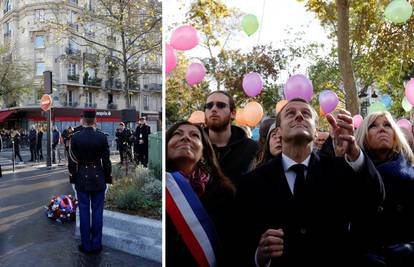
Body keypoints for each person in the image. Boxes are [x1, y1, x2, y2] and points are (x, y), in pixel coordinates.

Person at [235, 98, 384, 267]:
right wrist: (259, 257)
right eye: (290, 113)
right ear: (278, 132)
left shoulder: (341, 170)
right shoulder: (252, 182)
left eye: (306, 114)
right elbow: (240, 243)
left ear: (315, 132)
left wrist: (354, 151)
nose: (299, 115)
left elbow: (375, 198)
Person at [166, 121, 235, 266]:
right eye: (177, 134)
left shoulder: (224, 192)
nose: (185, 138)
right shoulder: (163, 185)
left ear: (203, 151)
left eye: (194, 135)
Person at [355, 111, 414, 267]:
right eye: (373, 126)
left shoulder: (411, 176)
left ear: (395, 135)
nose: (382, 129)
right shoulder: (352, 175)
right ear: (363, 136)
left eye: (387, 125)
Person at [68, 109, 112, 254]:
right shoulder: (102, 137)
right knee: (98, 212)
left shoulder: (75, 137)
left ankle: (86, 246)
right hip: (99, 178)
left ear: (83, 121)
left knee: (84, 213)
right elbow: (106, 161)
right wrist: (108, 179)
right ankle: (96, 244)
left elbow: (72, 161)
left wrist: (73, 179)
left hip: (81, 177)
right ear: (95, 121)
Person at [203, 90, 259, 185]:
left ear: (233, 113)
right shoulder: (194, 147)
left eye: (220, 105)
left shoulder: (251, 148)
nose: (213, 109)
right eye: (209, 106)